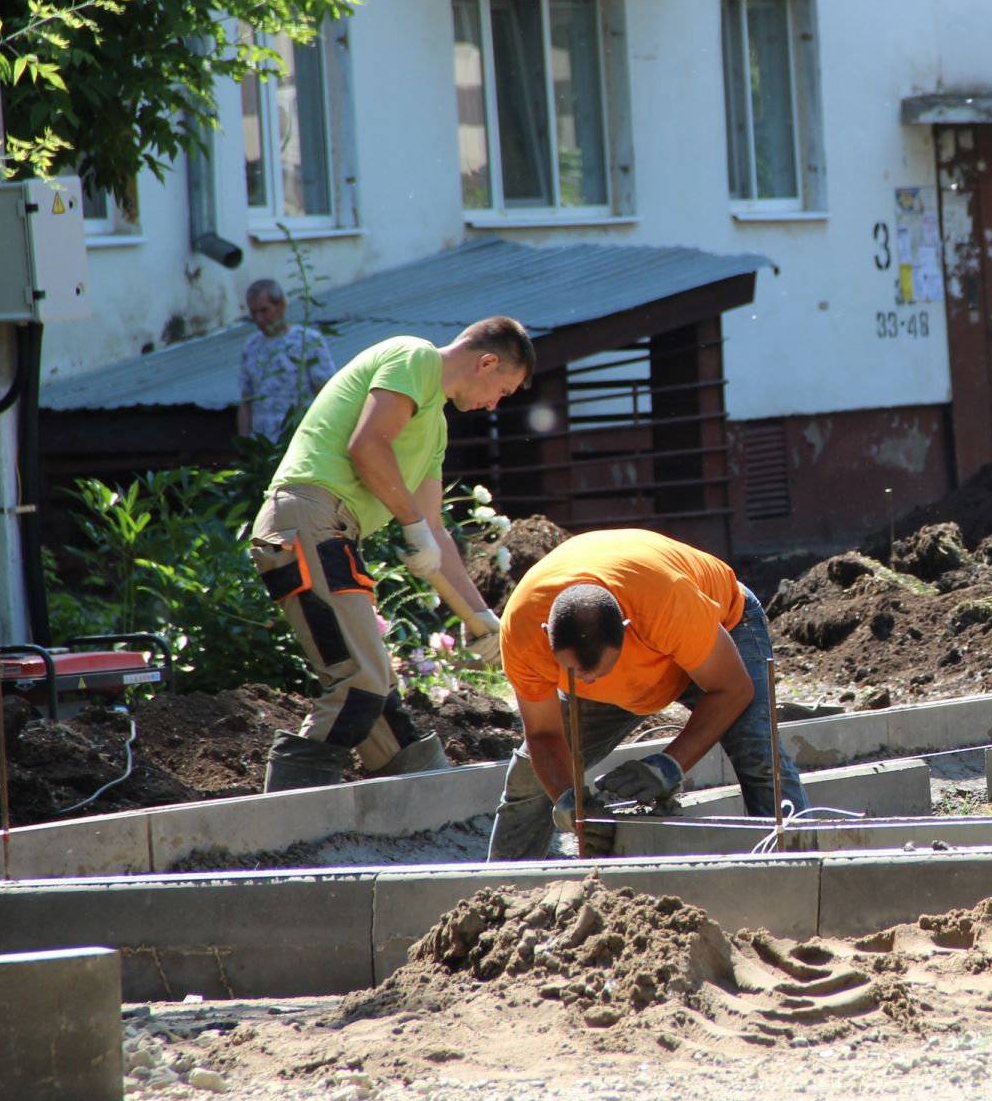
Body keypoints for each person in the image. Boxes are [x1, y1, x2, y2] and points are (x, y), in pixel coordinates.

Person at [248, 316, 534, 791]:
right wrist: (412, 523)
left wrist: (480, 616)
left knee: (379, 700)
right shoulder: (414, 355)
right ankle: (279, 819)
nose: (493, 405)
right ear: (487, 362)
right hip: (306, 521)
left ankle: (428, 804)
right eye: (502, 390)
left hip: (332, 533)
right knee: (361, 682)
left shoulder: (435, 429)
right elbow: (367, 447)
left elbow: (434, 533)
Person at [485, 528, 810, 861]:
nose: (593, 684)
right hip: (649, 652)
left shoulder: (666, 604)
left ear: (627, 628)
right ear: (546, 636)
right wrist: (570, 802)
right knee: (530, 780)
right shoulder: (523, 632)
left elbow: (733, 689)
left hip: (720, 632)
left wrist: (667, 766)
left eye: (601, 671)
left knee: (758, 752)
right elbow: (543, 734)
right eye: (578, 675)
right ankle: (504, 895)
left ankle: (796, 865)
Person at [237, 278, 336, 441]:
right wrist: (244, 440)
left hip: (301, 438)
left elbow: (326, 392)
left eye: (264, 310)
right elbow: (246, 399)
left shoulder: (308, 340)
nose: (259, 319)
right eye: (254, 312)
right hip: (264, 444)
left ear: (281, 305)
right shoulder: (251, 346)